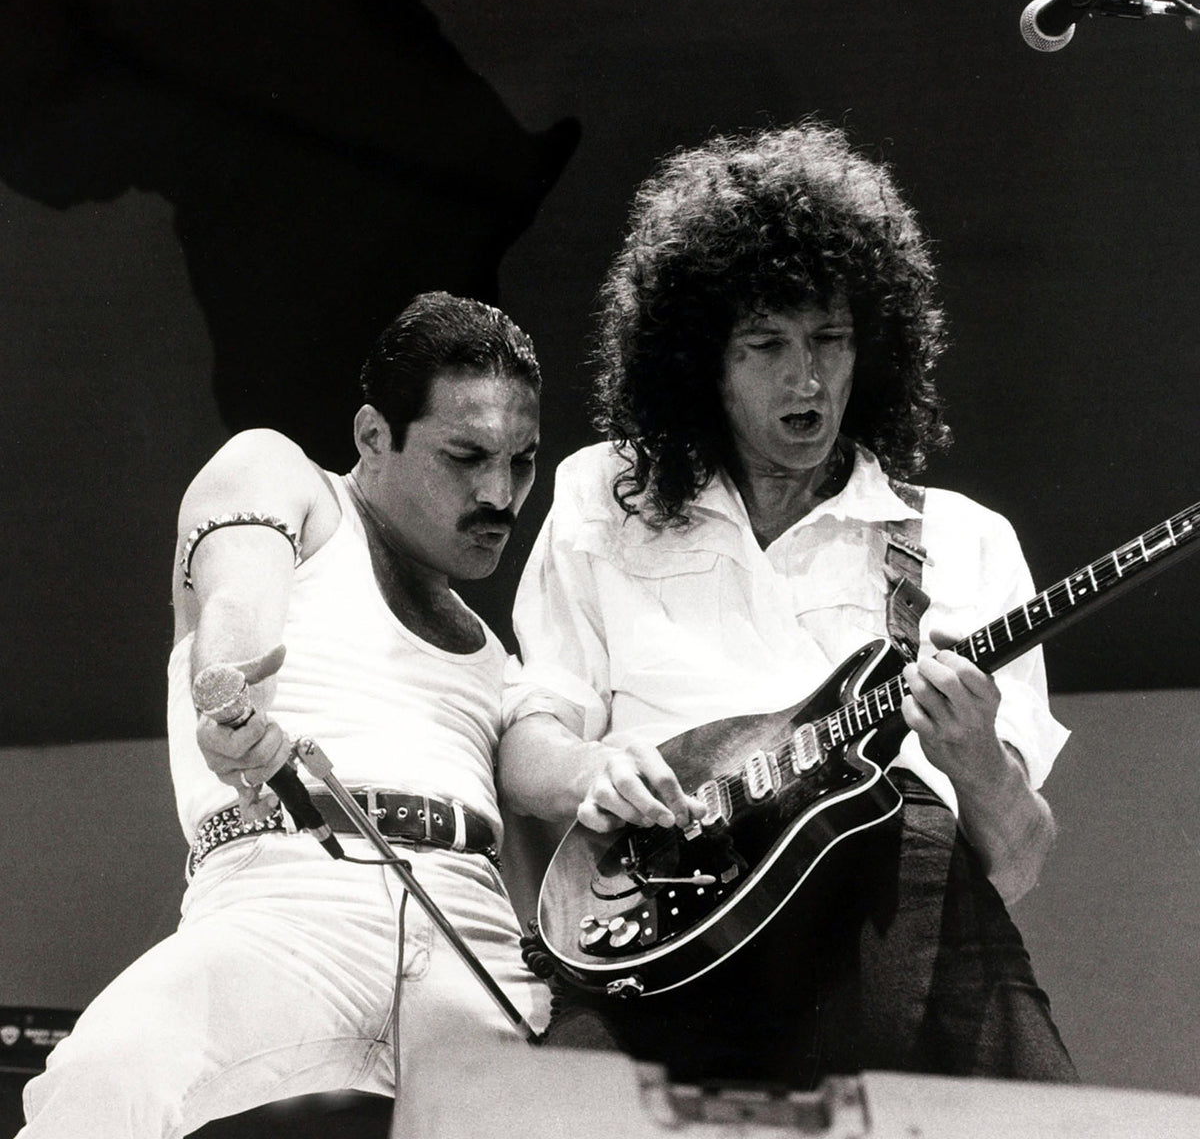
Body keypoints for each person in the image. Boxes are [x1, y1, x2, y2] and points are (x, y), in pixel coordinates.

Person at [499, 123, 1076, 1086]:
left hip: (897, 923)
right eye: (765, 344)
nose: (805, 378)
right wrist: (596, 773)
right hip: (666, 922)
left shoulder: (966, 540)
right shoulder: (603, 496)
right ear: (698, 362)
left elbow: (1016, 863)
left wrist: (974, 757)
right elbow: (528, 745)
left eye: (831, 340)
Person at [19, 290, 550, 1137]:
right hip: (291, 907)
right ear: (374, 435)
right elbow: (237, 598)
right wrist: (230, 695)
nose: (502, 493)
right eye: (465, 455)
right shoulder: (282, 475)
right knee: (106, 1079)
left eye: (522, 462)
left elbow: (556, 771)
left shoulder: (498, 652)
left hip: (471, 929)